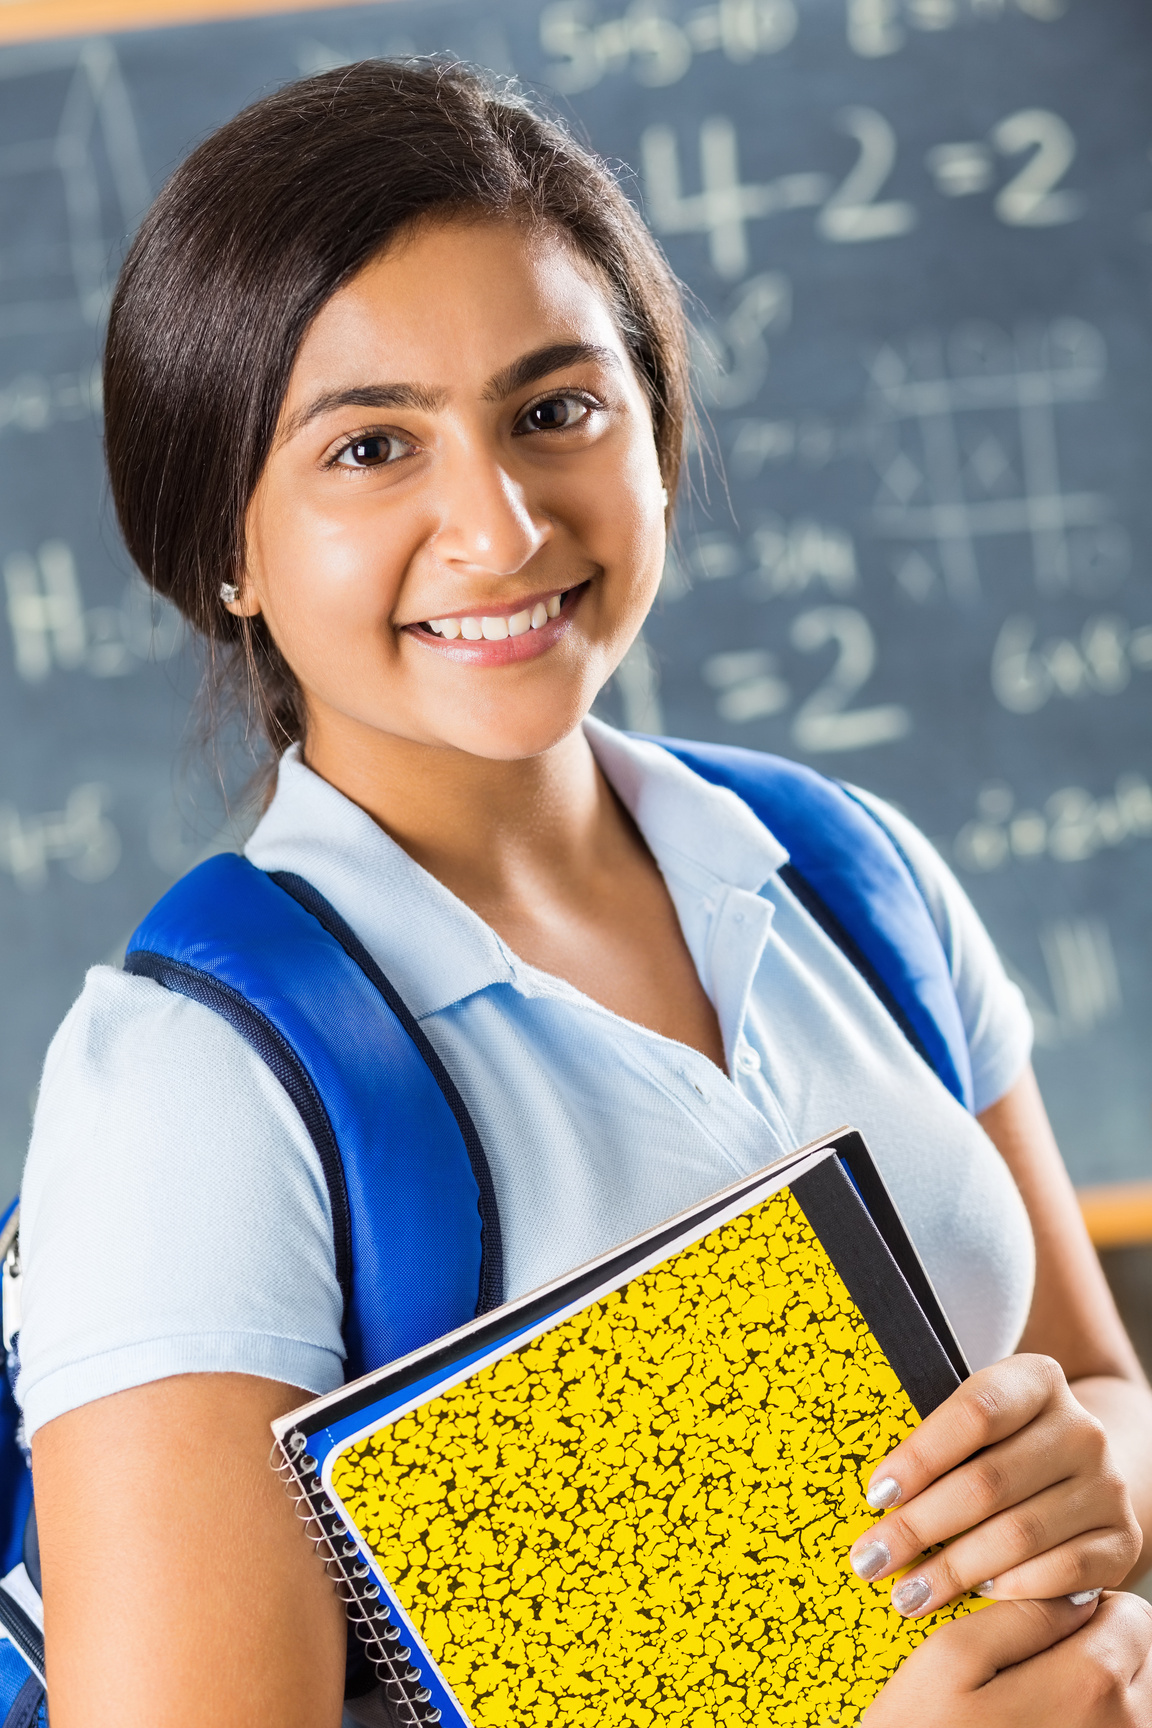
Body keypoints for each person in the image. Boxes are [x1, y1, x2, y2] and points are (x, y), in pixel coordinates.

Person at [16, 59, 1152, 1728]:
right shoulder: (194, 1089)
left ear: (657, 428)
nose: (498, 523)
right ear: (229, 551)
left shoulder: (849, 870)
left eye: (559, 410)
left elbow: (1101, 1384)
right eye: (371, 447)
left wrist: (1093, 1474)